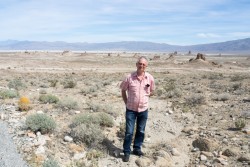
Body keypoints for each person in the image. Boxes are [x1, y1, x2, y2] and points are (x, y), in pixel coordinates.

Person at [120, 56, 155, 162]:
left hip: (143, 109)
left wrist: (146, 96)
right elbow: (123, 90)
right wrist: (127, 102)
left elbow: (152, 90)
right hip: (131, 109)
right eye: (140, 64)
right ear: (136, 65)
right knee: (129, 132)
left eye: (144, 64)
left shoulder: (150, 78)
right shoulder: (129, 77)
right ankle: (126, 151)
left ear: (146, 66)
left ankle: (136, 148)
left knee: (140, 130)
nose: (141, 66)